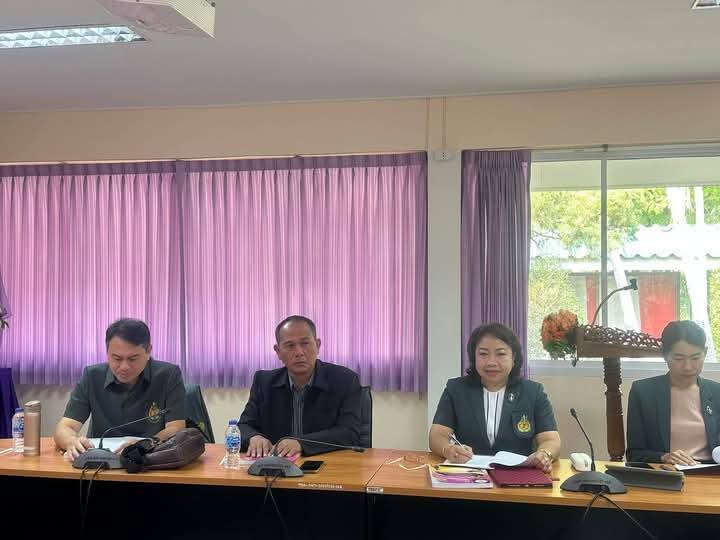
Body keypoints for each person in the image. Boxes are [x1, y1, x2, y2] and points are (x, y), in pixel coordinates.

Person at [429, 323, 561, 472]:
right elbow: (437, 435)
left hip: (518, 477)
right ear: (474, 357)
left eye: (501, 354)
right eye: (483, 354)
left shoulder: (533, 392)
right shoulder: (456, 389)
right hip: (468, 475)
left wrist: (544, 454)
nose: (491, 362)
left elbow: (551, 439)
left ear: (514, 357)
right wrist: (448, 449)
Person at [54, 318, 187, 460]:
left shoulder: (168, 375)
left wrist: (146, 444)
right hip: (100, 461)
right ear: (107, 352)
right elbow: (65, 427)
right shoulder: (92, 376)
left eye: (133, 358)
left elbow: (176, 428)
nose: (124, 367)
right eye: (117, 358)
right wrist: (71, 441)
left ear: (148, 351)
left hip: (149, 460)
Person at [239, 315, 362, 457]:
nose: (299, 352)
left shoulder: (344, 380)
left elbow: (349, 433)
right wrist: (254, 438)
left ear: (317, 345)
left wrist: (302, 443)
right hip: (278, 465)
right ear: (278, 351)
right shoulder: (264, 382)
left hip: (327, 463)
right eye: (290, 345)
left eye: (305, 343)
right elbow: (243, 426)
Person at [627, 320, 720, 465]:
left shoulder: (716, 392)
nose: (688, 366)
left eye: (695, 358)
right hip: (667, 473)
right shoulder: (643, 392)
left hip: (710, 473)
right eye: (678, 358)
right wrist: (663, 457)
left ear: (705, 353)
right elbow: (634, 454)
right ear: (664, 355)